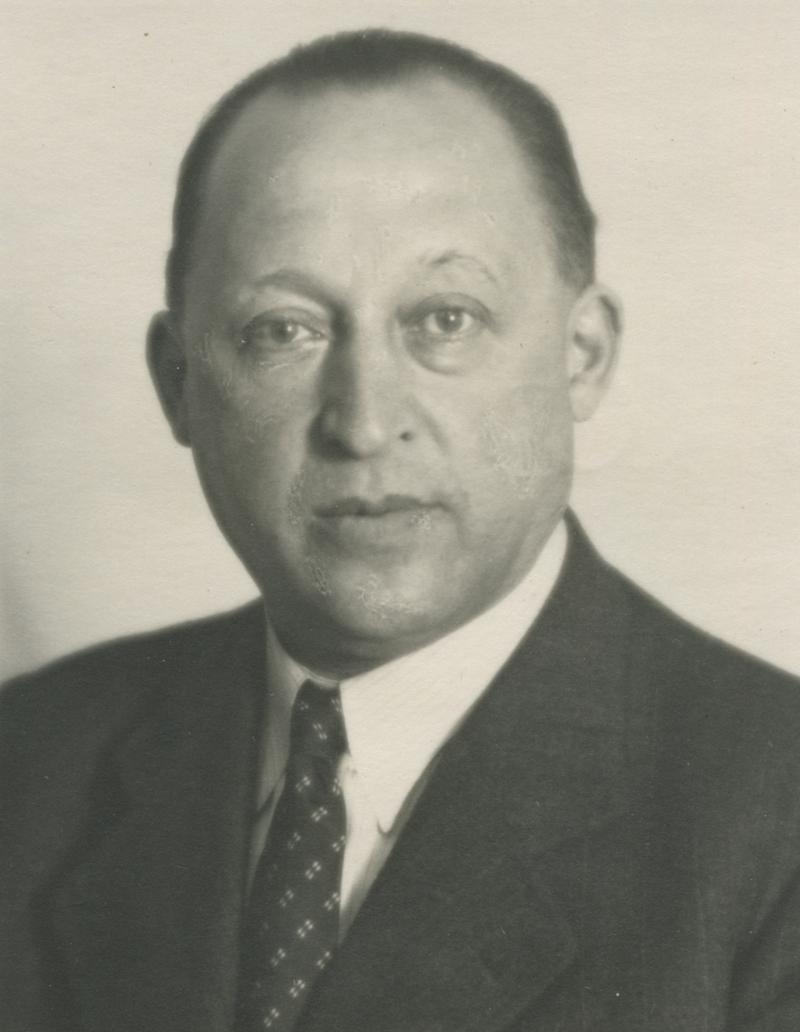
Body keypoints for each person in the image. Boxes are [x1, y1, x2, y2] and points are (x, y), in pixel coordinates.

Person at [2, 28, 798, 1032]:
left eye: (445, 319)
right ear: (179, 384)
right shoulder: (29, 761)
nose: (364, 421)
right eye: (283, 330)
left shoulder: (773, 821)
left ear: (582, 355)